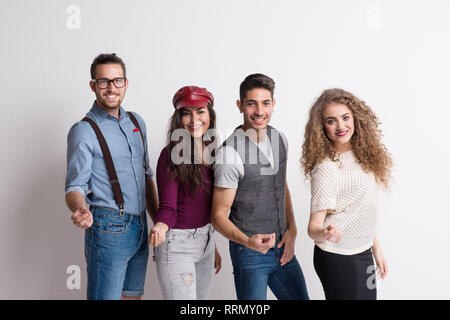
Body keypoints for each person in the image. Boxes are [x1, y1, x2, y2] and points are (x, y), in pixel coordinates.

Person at [65, 53, 158, 300]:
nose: (111, 88)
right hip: (108, 229)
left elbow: (146, 175)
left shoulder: (137, 122)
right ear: (93, 86)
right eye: (103, 81)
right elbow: (74, 186)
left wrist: (159, 221)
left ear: (126, 83)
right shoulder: (84, 130)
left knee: (132, 297)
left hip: (140, 227)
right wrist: (80, 208)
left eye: (117, 81)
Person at [211, 74, 309, 300]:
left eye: (265, 103)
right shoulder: (229, 154)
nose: (259, 111)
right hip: (249, 253)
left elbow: (280, 186)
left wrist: (292, 230)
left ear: (274, 104)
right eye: (251, 103)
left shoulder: (280, 139)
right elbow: (217, 216)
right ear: (240, 106)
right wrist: (247, 242)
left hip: (283, 249)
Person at [301, 88, 392, 300]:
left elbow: (360, 208)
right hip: (338, 257)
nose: (341, 126)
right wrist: (325, 233)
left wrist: (375, 248)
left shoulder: (364, 155)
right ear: (322, 127)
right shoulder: (326, 167)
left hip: (362, 252)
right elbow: (313, 227)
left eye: (345, 118)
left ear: (356, 119)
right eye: (331, 121)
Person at [149, 86, 222, 300]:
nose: (194, 119)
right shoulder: (171, 154)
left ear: (210, 114)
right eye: (186, 113)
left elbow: (207, 207)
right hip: (177, 244)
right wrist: (161, 227)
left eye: (200, 111)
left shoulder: (215, 151)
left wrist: (211, 244)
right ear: (178, 119)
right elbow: (169, 207)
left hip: (206, 241)